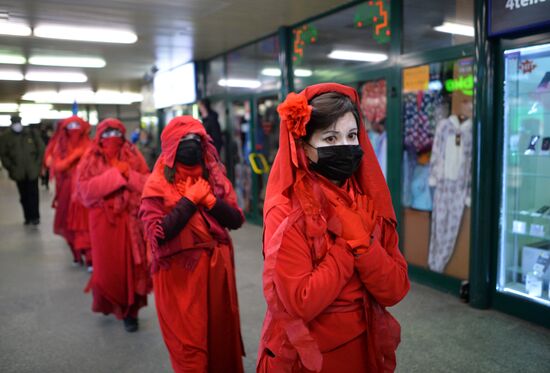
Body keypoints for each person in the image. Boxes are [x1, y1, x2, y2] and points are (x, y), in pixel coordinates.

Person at [257, 83, 410, 372]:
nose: (345, 145)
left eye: (352, 135)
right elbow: (301, 302)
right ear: (303, 146)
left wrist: (366, 248)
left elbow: (395, 289)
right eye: (330, 138)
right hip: (311, 355)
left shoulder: (367, 199)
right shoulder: (286, 210)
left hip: (366, 344)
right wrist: (348, 245)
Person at [139, 116, 245, 372]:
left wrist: (210, 202)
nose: (191, 145)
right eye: (183, 140)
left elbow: (236, 219)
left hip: (215, 275)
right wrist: (188, 201)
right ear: (171, 146)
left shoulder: (213, 176)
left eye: (195, 139)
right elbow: (157, 233)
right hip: (180, 279)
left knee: (219, 339)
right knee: (190, 347)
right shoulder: (157, 184)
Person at [76, 118, 150, 332]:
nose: (112, 138)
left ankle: (131, 312)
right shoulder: (90, 157)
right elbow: (84, 191)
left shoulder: (133, 154)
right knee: (108, 268)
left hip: (132, 222)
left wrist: (128, 174)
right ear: (99, 136)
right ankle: (112, 302)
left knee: (133, 268)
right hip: (103, 224)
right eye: (107, 134)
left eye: (116, 133)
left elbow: (148, 183)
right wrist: (116, 176)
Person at [50, 116, 93, 267]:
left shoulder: (89, 144)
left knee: (85, 225)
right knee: (68, 223)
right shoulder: (60, 145)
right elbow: (57, 166)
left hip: (84, 190)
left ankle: (89, 257)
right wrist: (75, 156)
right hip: (67, 191)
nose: (74, 128)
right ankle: (76, 254)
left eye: (77, 125)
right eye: (71, 125)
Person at [0, 115, 45, 225]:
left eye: (18, 122)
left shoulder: (31, 134)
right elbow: (3, 155)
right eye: (15, 123)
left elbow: (41, 149)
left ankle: (35, 217)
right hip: (18, 172)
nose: (17, 125)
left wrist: (37, 165)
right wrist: (10, 167)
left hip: (32, 171)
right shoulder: (6, 137)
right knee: (24, 196)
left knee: (34, 194)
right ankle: (28, 217)